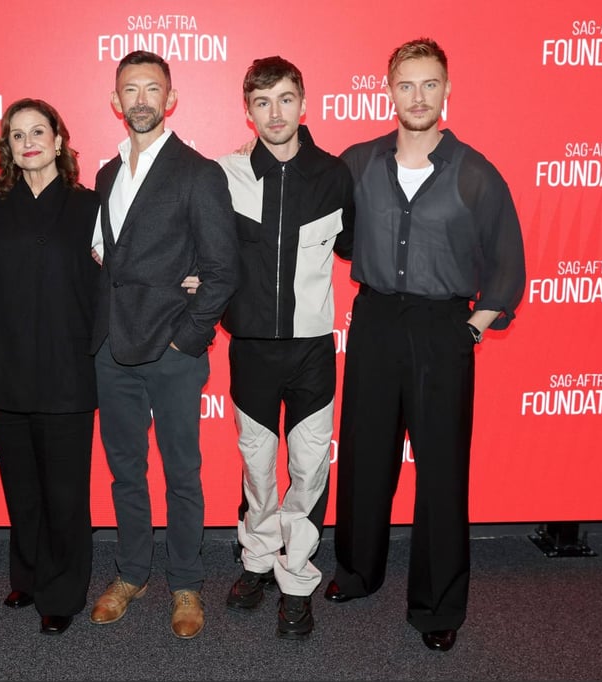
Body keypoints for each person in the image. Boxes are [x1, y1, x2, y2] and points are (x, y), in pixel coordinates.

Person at [324, 38, 526, 652]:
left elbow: (508, 267)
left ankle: (438, 604)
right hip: (376, 320)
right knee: (365, 455)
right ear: (389, 91)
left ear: (446, 90)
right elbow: (332, 228)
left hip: (444, 328)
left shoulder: (476, 172)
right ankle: (357, 572)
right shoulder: (357, 163)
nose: (418, 96)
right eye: (406, 84)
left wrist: (471, 329)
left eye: (429, 84)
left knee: (441, 471)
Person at [88, 50, 239, 640]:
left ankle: (186, 582)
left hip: (173, 351)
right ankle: (131, 573)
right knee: (125, 470)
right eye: (131, 89)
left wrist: (187, 341)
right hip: (112, 349)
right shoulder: (106, 174)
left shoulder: (199, 173)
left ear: (170, 99)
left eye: (152, 88)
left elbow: (222, 271)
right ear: (115, 100)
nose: (141, 99)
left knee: (181, 473)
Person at [215, 56, 354, 640]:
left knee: (309, 467)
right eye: (262, 101)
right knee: (257, 467)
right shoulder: (224, 174)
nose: (275, 113)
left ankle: (296, 579)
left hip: (312, 350)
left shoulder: (335, 175)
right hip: (250, 348)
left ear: (303, 103)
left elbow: (357, 250)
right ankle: (256, 560)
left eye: (286, 99)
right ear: (248, 110)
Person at [0, 98, 100, 636]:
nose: (28, 142)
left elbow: (119, 276)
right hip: (5, 365)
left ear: (58, 140)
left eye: (38, 132)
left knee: (65, 492)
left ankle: (62, 591)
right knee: (21, 486)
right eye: (17, 134)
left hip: (68, 369)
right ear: (7, 147)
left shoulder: (90, 206)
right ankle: (26, 576)